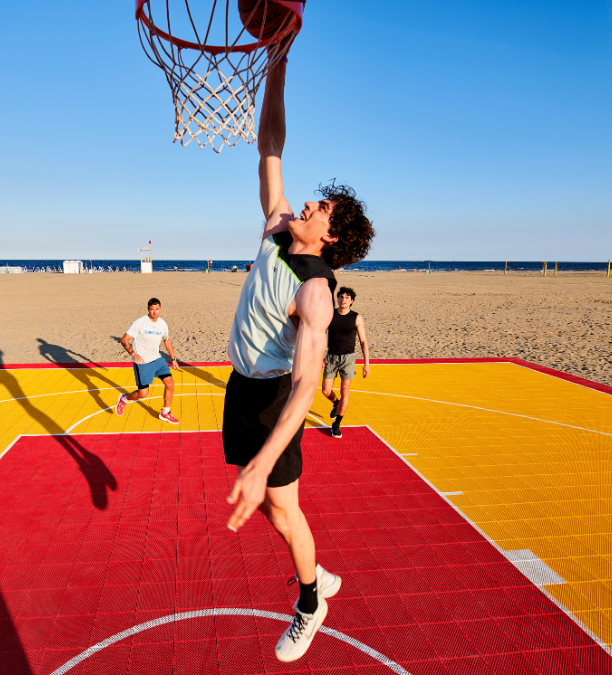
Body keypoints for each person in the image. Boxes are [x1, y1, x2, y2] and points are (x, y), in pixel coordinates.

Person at [222, 47, 376, 662]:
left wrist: (264, 460)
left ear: (331, 237)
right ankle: (318, 575)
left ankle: (312, 600)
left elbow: (308, 387)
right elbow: (270, 145)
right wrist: (277, 63)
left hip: (272, 400)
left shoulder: (315, 293)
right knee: (274, 510)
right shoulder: (276, 224)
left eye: (324, 210)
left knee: (282, 507)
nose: (310, 203)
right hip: (239, 385)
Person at [116, 298, 180, 424]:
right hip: (143, 363)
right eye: (152, 309)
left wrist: (173, 359)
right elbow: (124, 340)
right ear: (148, 309)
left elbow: (166, 340)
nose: (154, 312)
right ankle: (124, 398)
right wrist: (133, 354)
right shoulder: (140, 323)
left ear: (160, 309)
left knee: (170, 384)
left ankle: (165, 412)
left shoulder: (162, 324)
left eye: (157, 309)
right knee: (143, 393)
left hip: (157, 360)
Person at [321, 286, 370, 439]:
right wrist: (318, 357)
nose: (343, 300)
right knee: (325, 391)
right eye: (341, 297)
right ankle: (336, 403)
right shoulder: (330, 314)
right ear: (337, 299)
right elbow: (321, 336)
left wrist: (366, 363)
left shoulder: (356, 317)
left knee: (345, 391)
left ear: (351, 301)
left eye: (347, 297)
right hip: (331, 357)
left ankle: (337, 424)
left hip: (348, 359)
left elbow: (363, 341)